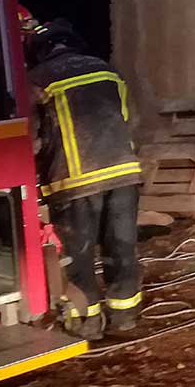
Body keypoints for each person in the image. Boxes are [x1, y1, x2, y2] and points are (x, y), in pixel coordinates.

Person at [27, 20, 143, 340]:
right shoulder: (106, 70)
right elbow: (125, 117)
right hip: (123, 172)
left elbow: (32, 137)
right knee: (121, 246)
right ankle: (125, 316)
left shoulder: (37, 79)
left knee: (78, 253)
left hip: (74, 181)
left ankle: (88, 323)